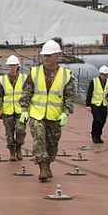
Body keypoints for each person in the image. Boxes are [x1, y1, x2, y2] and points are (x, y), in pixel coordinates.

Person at [19, 40, 76, 181]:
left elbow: (69, 96)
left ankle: (48, 163)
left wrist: (65, 112)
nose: (46, 58)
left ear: (57, 56)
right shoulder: (34, 72)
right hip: (36, 114)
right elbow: (26, 92)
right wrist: (25, 110)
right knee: (39, 137)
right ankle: (43, 167)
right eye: (44, 55)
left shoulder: (65, 75)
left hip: (55, 116)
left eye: (49, 56)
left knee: (52, 144)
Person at [0, 55, 27, 161]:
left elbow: (27, 94)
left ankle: (18, 148)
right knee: (9, 132)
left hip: (20, 110)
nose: (12, 67)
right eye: (10, 66)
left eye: (14, 65)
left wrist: (27, 108)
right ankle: (12, 152)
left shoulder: (24, 78)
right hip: (7, 110)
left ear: (18, 66)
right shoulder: (2, 80)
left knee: (20, 130)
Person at [86, 65, 108, 144]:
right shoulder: (94, 81)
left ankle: (98, 135)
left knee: (103, 120)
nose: (105, 76)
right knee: (97, 119)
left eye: (106, 75)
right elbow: (89, 93)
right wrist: (88, 105)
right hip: (95, 104)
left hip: (103, 104)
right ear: (100, 74)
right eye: (103, 74)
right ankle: (94, 134)